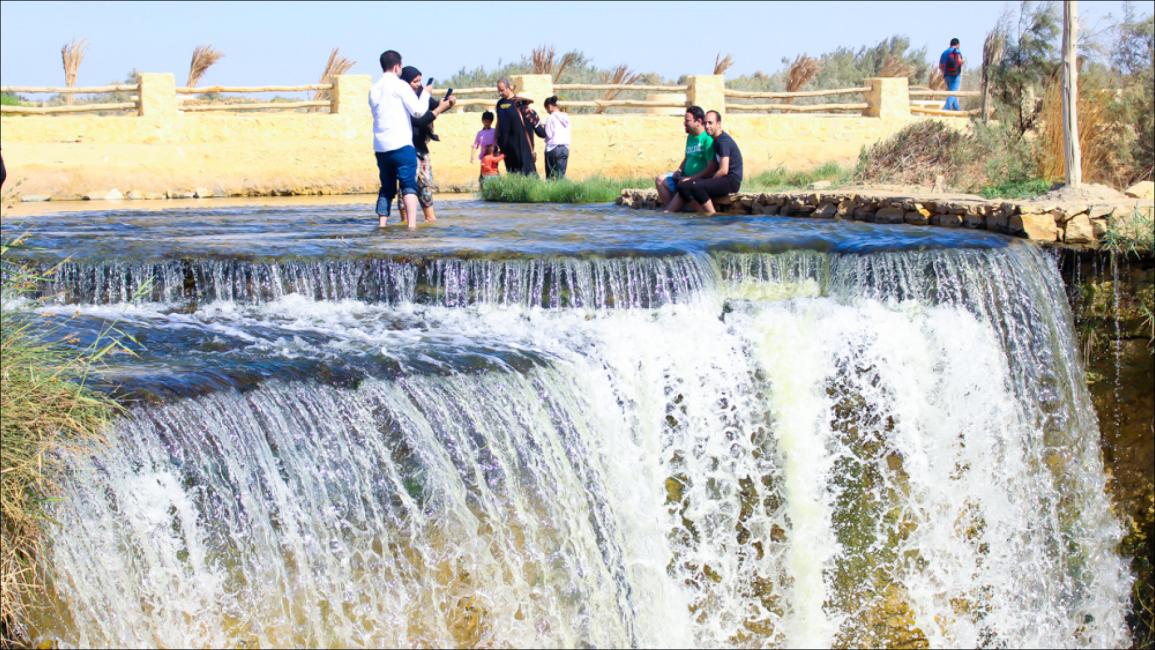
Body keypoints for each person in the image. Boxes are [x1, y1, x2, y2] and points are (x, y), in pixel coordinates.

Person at [368, 49, 450, 229]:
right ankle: (411, 226)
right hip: (401, 145)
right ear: (397, 66)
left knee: (386, 188)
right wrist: (426, 93)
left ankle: (382, 225)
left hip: (381, 147)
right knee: (408, 186)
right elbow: (418, 112)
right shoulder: (400, 85)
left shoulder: (374, 89)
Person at [397, 66, 456, 224]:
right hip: (407, 148)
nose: (418, 84)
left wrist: (448, 104)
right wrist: (438, 110)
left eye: (420, 80)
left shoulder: (422, 94)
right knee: (406, 186)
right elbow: (418, 120)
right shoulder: (402, 98)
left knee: (426, 184)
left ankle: (430, 219)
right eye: (414, 81)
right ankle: (405, 222)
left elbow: (435, 107)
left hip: (422, 148)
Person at [677, 110, 742, 216]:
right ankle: (701, 214)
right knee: (683, 186)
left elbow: (724, 170)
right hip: (723, 179)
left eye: (710, 123)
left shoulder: (723, 141)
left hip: (731, 181)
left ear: (718, 124)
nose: (707, 126)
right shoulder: (715, 140)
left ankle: (713, 215)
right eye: (705, 123)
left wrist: (708, 181)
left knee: (698, 187)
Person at [653, 106, 715, 212]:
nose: (684, 123)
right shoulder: (690, 137)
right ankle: (673, 211)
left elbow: (711, 168)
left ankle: (671, 210)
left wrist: (691, 178)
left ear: (698, 121)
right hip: (683, 176)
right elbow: (687, 158)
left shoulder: (707, 138)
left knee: (683, 185)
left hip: (697, 179)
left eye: (687, 121)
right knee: (660, 180)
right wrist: (679, 170)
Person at [494, 78, 540, 176]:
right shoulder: (499, 104)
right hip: (506, 144)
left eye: (502, 90)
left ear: (509, 88)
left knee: (526, 171)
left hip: (520, 142)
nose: (500, 93)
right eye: (499, 91)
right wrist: (495, 140)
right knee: (512, 171)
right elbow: (498, 122)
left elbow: (528, 121)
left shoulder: (520, 102)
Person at [533, 96, 571, 180]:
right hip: (565, 148)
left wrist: (543, 127)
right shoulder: (566, 117)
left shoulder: (551, 117)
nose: (547, 111)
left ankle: (550, 191)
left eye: (546, 109)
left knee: (550, 176)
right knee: (561, 176)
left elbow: (549, 134)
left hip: (552, 148)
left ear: (549, 106)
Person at [940, 38, 964, 111]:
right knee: (953, 93)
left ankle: (958, 110)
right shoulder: (957, 51)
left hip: (946, 75)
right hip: (955, 76)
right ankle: (945, 109)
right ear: (957, 44)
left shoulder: (944, 53)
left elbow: (940, 66)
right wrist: (962, 62)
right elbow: (960, 61)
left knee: (952, 93)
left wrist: (944, 73)